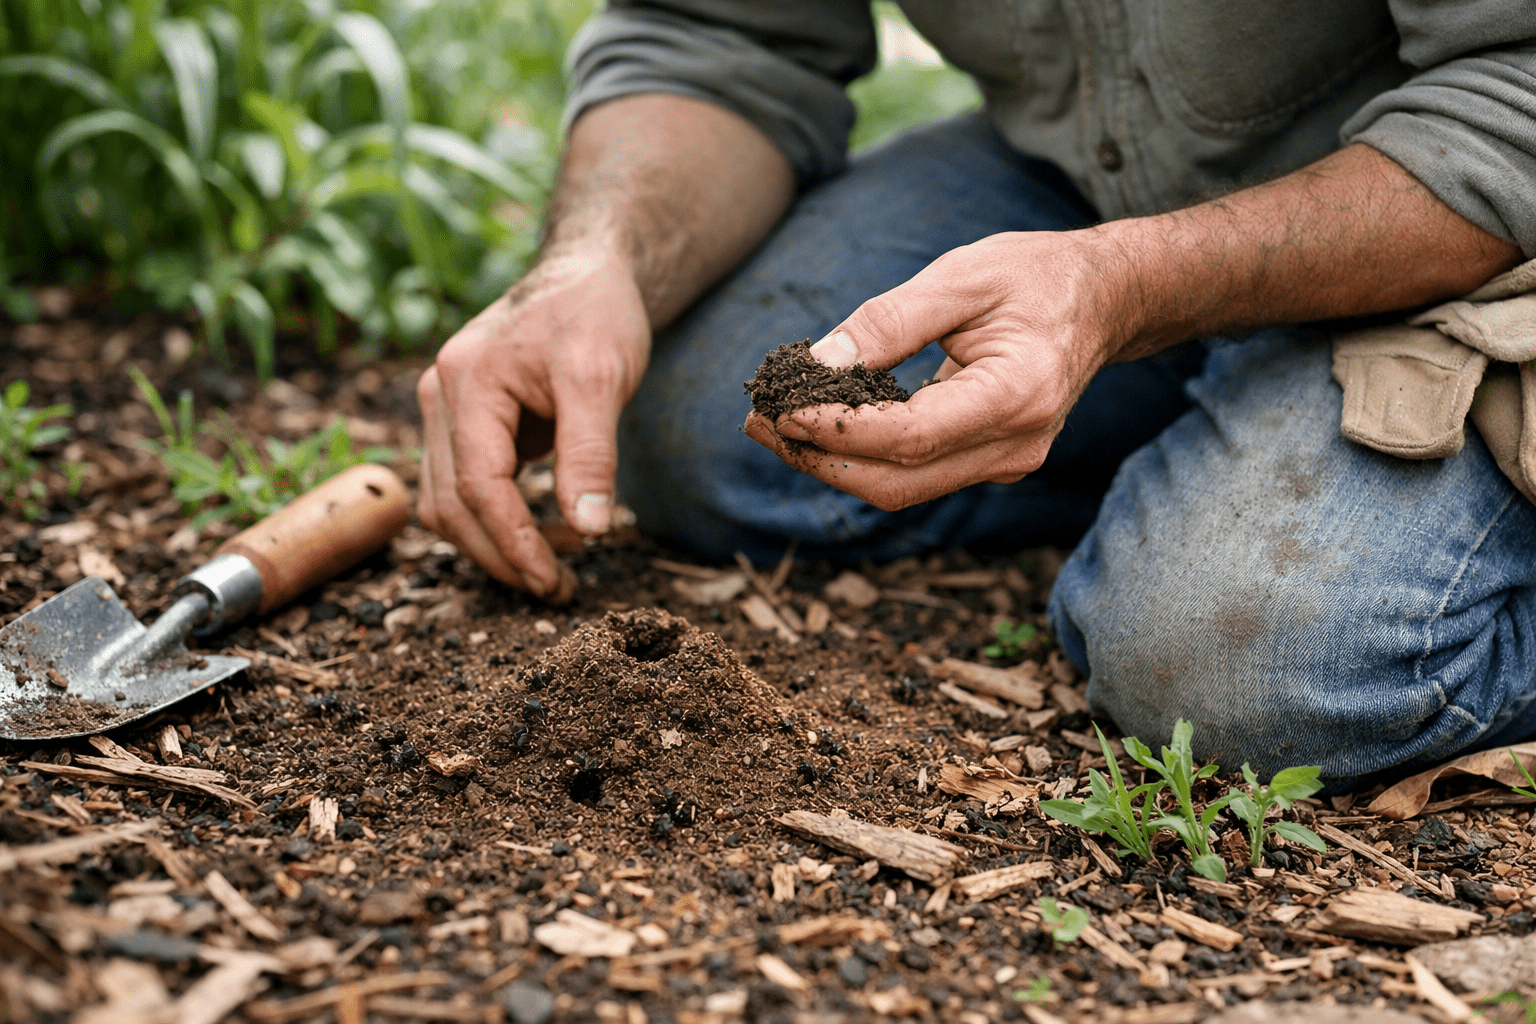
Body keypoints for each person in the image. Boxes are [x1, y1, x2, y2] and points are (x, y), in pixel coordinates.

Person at [416, 2, 1536, 790]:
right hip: (1094, 175)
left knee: (1243, 669)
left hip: (1465, 205)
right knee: (698, 426)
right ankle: (1188, 428)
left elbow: (1513, 99)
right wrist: (598, 258)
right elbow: (716, 37)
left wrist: (1118, 289)